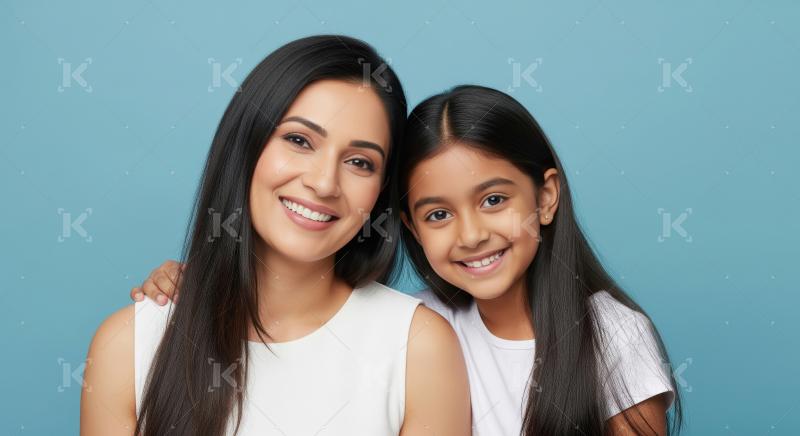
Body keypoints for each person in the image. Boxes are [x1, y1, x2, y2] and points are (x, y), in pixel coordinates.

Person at [80, 35, 470, 436]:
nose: (324, 183)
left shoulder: (418, 349)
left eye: (359, 162)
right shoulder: (128, 346)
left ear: (381, 190)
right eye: (299, 140)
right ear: (245, 144)